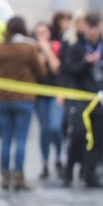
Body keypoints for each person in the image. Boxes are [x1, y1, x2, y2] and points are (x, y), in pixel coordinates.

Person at [61, 11, 103, 188]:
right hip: (80, 98)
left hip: (100, 99)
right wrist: (85, 64)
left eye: (96, 28)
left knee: (97, 137)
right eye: (90, 28)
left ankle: (90, 173)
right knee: (78, 133)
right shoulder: (76, 48)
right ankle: (69, 170)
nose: (93, 32)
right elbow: (69, 70)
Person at [0, 17, 47, 190]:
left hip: (4, 98)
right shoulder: (28, 48)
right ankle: (19, 177)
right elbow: (40, 72)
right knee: (21, 138)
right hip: (24, 99)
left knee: (5, 138)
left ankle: (5, 176)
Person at [31, 21, 64, 180]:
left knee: (55, 127)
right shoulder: (32, 50)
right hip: (39, 95)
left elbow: (57, 68)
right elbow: (37, 73)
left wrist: (47, 50)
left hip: (55, 93)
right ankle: (44, 162)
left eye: (44, 32)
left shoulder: (57, 46)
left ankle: (59, 156)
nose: (41, 36)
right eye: (38, 33)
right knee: (43, 129)